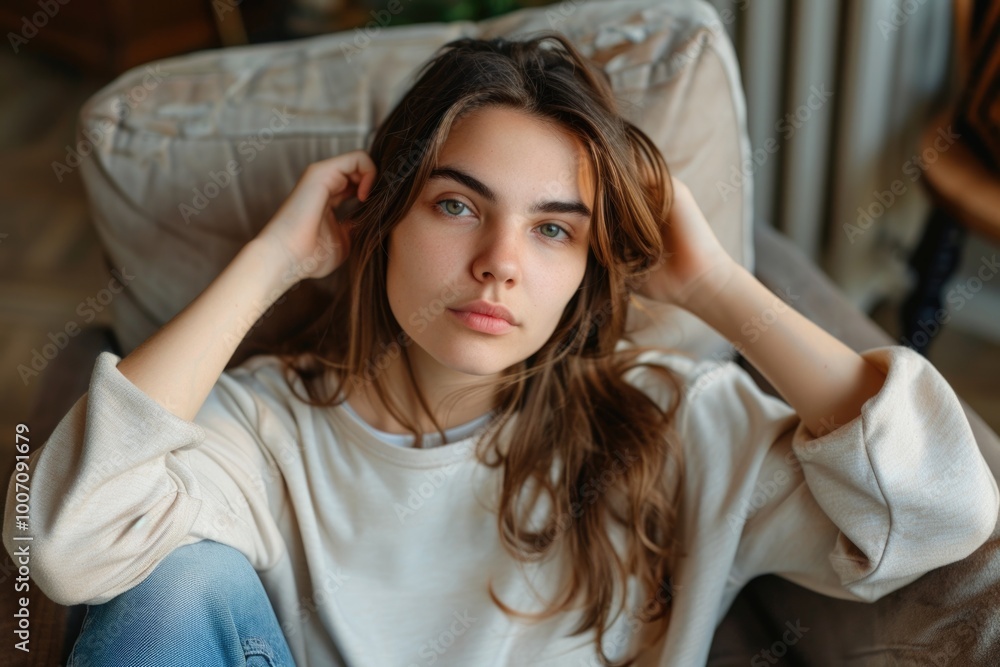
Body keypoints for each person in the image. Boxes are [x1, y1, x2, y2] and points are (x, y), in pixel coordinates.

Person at [4, 34, 998, 667]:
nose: (497, 264)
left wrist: (713, 288)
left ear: (588, 266)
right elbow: (65, 543)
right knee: (176, 584)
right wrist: (273, 259)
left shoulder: (674, 423)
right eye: (454, 205)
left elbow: (941, 509)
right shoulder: (264, 427)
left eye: (554, 230)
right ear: (380, 217)